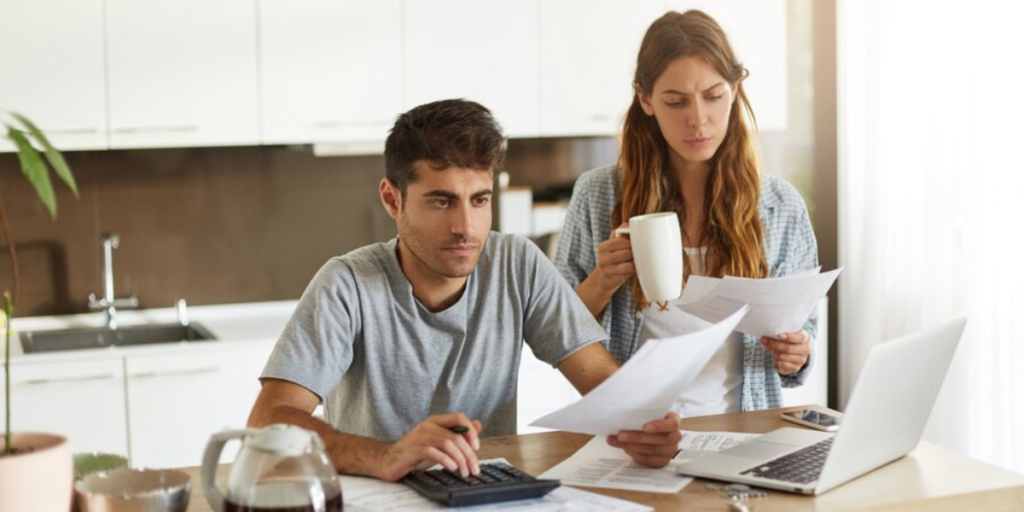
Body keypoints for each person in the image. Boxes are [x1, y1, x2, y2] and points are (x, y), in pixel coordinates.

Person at [248, 99, 681, 483]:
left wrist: (644, 424)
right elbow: (268, 422)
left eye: (479, 200)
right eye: (441, 201)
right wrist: (387, 456)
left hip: (485, 493)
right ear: (392, 200)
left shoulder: (518, 264)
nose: (466, 228)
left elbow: (604, 383)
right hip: (378, 498)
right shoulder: (347, 285)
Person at [555, 10, 820, 417]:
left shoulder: (780, 206)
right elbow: (556, 329)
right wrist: (602, 281)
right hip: (634, 432)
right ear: (645, 99)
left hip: (743, 429)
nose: (698, 119)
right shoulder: (598, 194)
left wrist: (797, 352)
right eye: (675, 102)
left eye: (713, 96)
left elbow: (802, 341)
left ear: (734, 89)